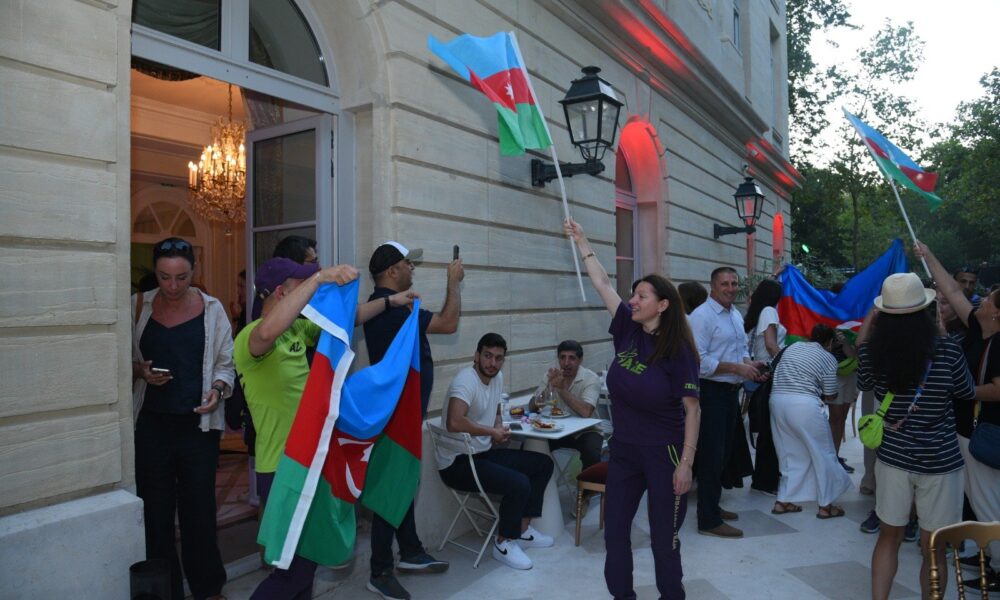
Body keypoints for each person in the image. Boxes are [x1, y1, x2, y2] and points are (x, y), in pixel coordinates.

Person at [234, 257, 416, 600]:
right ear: (280, 292)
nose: (308, 292)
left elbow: (351, 318)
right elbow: (265, 332)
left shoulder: (298, 330)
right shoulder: (249, 338)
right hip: (282, 467)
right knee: (291, 573)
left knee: (306, 565)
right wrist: (318, 279)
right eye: (299, 286)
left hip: (310, 462)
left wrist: (391, 301)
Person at [565, 219, 701, 600]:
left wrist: (686, 463)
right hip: (624, 450)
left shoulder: (679, 350)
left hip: (665, 454)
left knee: (663, 540)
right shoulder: (627, 328)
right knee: (615, 534)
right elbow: (603, 285)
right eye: (633, 295)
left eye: (641, 296)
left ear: (662, 305)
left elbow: (692, 409)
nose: (632, 301)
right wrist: (582, 240)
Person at [858, 271, 975, 600]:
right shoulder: (948, 351)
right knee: (933, 547)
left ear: (884, 314)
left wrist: (873, 317)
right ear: (927, 311)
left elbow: (863, 370)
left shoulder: (873, 354)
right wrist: (942, 334)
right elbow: (966, 391)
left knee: (888, 537)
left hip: (893, 458)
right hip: (940, 462)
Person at [131, 237, 235, 600]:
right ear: (155, 273)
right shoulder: (138, 306)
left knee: (199, 514)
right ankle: (164, 592)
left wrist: (218, 391)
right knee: (156, 516)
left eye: (181, 277)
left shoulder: (212, 309)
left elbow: (227, 361)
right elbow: (116, 363)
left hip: (197, 428)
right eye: (164, 277)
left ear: (195, 271)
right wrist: (139, 371)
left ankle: (208, 589)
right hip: (151, 429)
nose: (173, 286)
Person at [364, 241, 463, 600]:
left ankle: (410, 551)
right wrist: (454, 282)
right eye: (408, 263)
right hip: (397, 416)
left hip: (400, 412)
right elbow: (449, 323)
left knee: (403, 482)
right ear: (392, 270)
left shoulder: (389, 307)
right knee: (391, 487)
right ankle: (379, 571)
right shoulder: (393, 310)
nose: (412, 268)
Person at [917, 243, 1000, 591]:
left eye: (991, 299)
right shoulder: (980, 328)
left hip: (985, 432)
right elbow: (950, 288)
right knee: (983, 500)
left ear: (995, 314)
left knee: (989, 502)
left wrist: (960, 390)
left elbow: (997, 389)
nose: (981, 300)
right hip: (972, 429)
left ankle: (998, 565)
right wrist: (927, 253)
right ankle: (991, 559)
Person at [436, 333, 555, 571]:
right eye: (488, 356)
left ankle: (521, 531)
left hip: (481, 453)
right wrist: (492, 432)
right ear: (477, 355)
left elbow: (497, 406)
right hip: (457, 463)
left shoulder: (497, 377)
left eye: (498, 358)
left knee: (543, 464)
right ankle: (503, 543)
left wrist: (499, 425)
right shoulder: (465, 381)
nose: (492, 363)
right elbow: (454, 422)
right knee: (518, 483)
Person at [688, 266, 766, 539]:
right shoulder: (702, 317)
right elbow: (698, 362)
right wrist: (737, 369)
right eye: (725, 284)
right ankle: (707, 520)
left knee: (722, 455)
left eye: (734, 283)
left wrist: (748, 363)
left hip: (729, 394)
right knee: (710, 456)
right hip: (710, 394)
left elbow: (741, 348)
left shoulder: (733, 313)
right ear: (712, 286)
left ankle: (713, 506)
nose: (731, 288)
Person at [768, 324, 853, 518]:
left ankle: (783, 501)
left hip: (777, 401)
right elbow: (830, 395)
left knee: (789, 454)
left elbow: (774, 367)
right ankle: (826, 506)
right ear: (830, 342)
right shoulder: (828, 357)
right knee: (824, 454)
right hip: (803, 404)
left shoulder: (792, 347)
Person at [743, 279, 786, 496]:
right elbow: (770, 344)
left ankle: (764, 478)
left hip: (759, 373)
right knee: (770, 432)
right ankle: (766, 480)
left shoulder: (757, 310)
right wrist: (787, 361)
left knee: (766, 430)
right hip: (769, 372)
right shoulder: (769, 311)